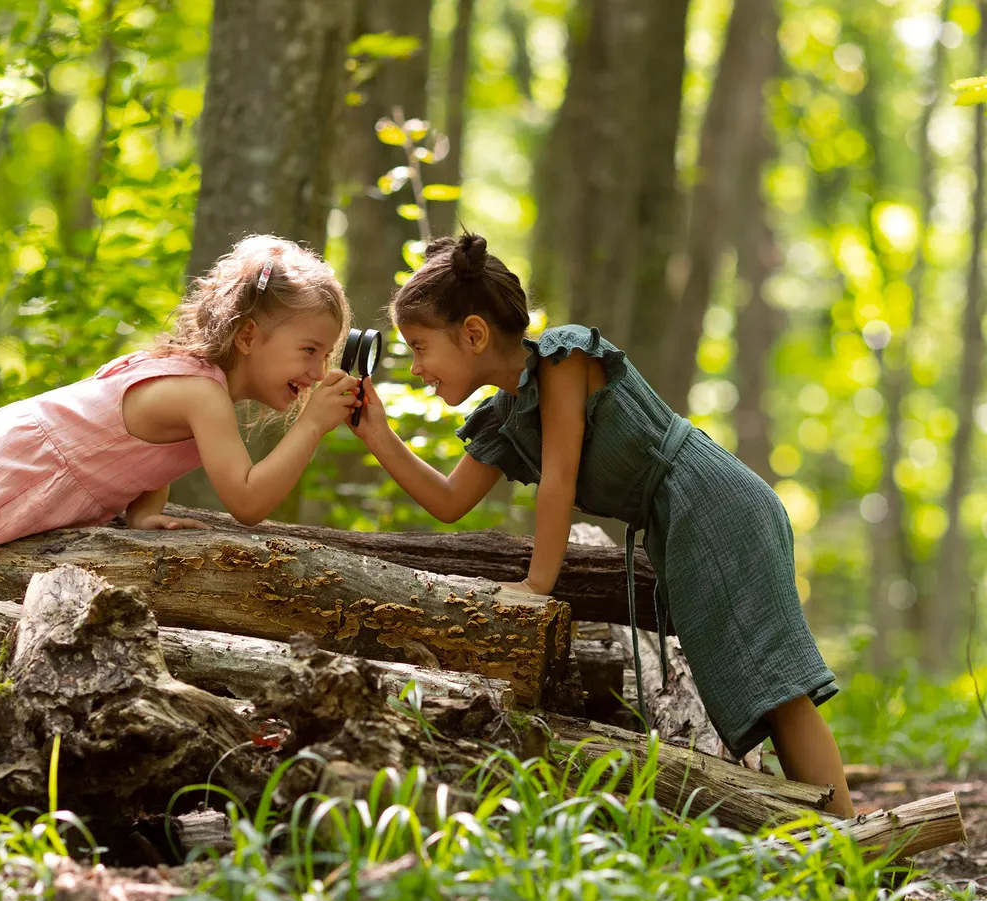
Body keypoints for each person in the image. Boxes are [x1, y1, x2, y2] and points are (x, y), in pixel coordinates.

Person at [351, 232, 853, 816]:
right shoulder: (508, 414)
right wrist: (377, 434)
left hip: (714, 501)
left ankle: (850, 839)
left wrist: (538, 586)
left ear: (474, 334)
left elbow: (559, 478)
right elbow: (448, 499)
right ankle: (831, 837)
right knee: (760, 691)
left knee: (776, 687)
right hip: (683, 518)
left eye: (420, 347)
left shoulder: (565, 359)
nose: (415, 368)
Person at [0, 234, 358, 769]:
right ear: (249, 336)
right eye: (309, 350)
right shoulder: (201, 393)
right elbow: (248, 500)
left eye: (326, 355)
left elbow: (147, 446)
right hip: (3, 467)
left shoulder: (199, 385)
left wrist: (142, 511)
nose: (320, 370)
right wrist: (314, 425)